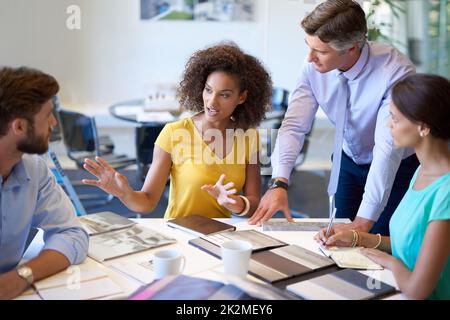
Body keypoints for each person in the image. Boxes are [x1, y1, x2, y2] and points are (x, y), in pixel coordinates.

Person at [250, 0, 419, 236]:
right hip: (348, 160)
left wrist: (363, 223)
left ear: (351, 48)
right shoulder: (312, 66)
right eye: (308, 46)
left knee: (376, 241)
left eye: (320, 51)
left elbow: (386, 151)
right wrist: (279, 181)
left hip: (397, 166)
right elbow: (293, 126)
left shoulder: (394, 73)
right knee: (336, 236)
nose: (309, 58)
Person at [82, 43, 272, 219]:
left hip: (221, 238)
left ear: (242, 97)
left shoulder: (249, 138)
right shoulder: (174, 133)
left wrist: (237, 204)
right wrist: (125, 193)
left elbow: (254, 204)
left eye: (224, 95)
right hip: (180, 234)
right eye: (208, 90)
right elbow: (147, 202)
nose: (212, 102)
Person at [315, 74, 450, 300]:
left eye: (395, 119)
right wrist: (358, 238)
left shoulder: (445, 191)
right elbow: (413, 244)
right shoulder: (421, 171)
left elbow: (419, 291)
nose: (389, 125)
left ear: (423, 127)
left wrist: (389, 262)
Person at [0, 67, 89, 299]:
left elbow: (72, 234)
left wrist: (21, 277)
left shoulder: (34, 168)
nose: (54, 123)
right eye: (48, 115)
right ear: (19, 126)